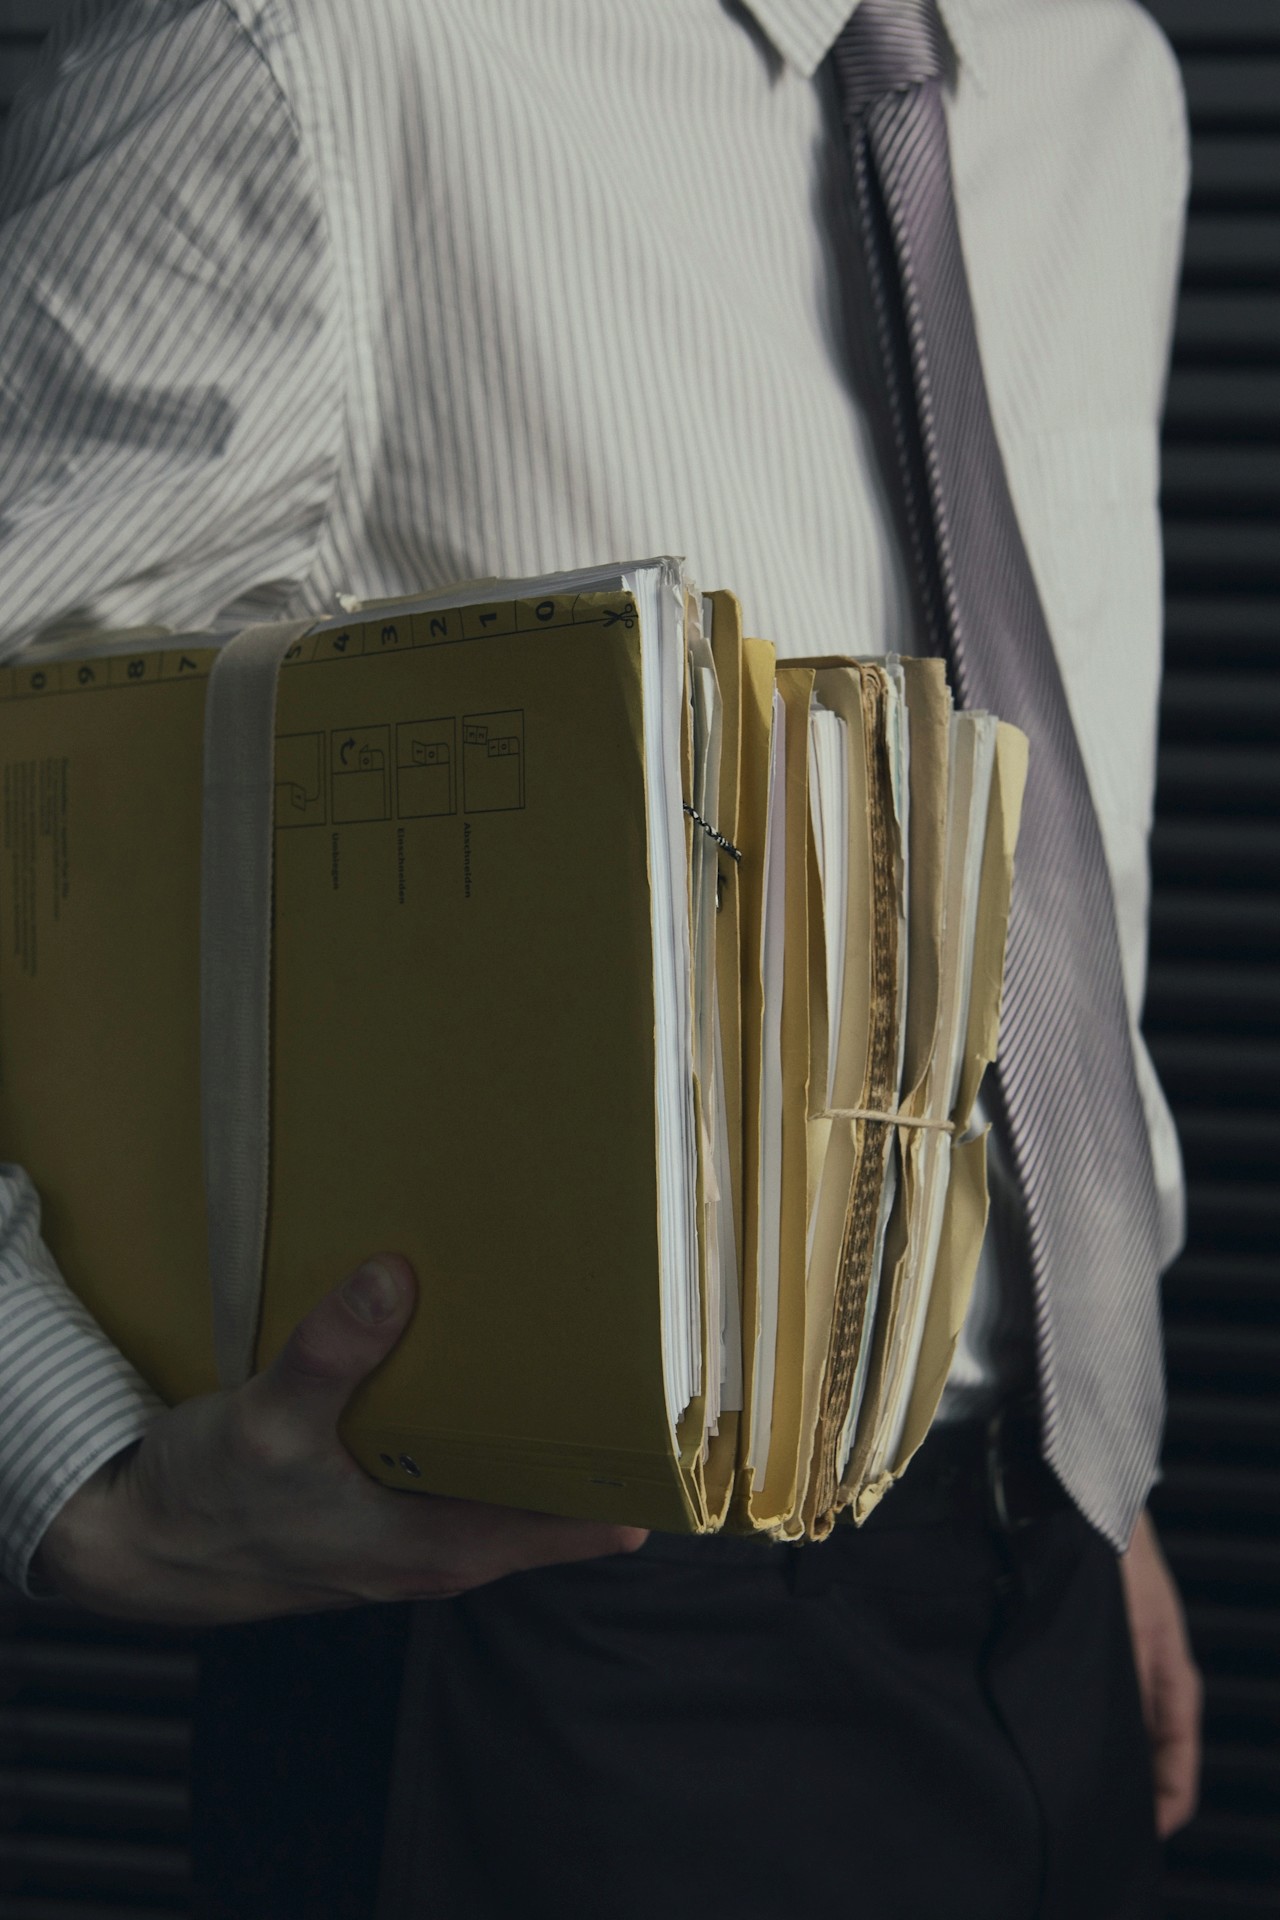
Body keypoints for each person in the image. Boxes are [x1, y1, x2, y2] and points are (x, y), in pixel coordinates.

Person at [0, 0, 1201, 1914]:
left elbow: (1035, 788)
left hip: (1044, 1575)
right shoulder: (306, 55)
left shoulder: (1104, 78)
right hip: (548, 1638)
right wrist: (55, 1456)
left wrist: (1079, 1452)